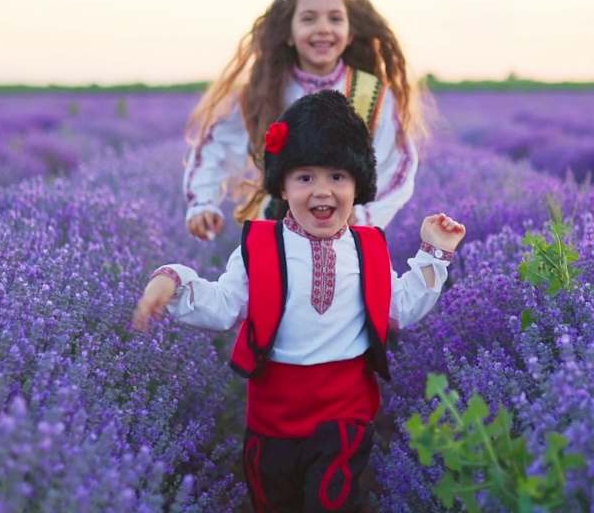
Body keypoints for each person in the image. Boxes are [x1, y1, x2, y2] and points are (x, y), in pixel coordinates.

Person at [135, 90, 465, 512]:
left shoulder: (368, 247)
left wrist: (434, 253)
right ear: (283, 186)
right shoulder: (261, 244)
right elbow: (223, 306)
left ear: (358, 185)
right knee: (275, 502)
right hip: (273, 417)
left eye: (337, 177)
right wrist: (174, 281)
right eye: (304, 177)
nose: (321, 191)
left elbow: (399, 307)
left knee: (333, 502)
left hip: (344, 412)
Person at [183, 0, 424, 241]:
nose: (323, 28)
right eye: (309, 19)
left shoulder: (372, 93)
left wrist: (365, 216)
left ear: (351, 32)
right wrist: (203, 201)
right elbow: (217, 147)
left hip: (348, 236)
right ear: (288, 33)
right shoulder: (264, 91)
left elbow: (396, 163)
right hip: (276, 232)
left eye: (335, 18)